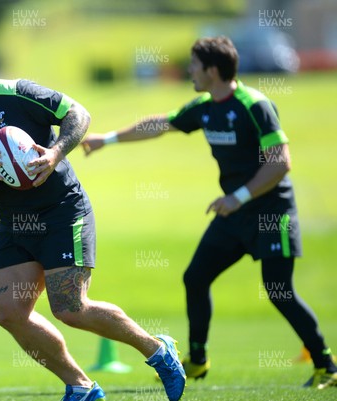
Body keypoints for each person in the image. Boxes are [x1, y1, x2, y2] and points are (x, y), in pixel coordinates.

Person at [0, 33, 186, 401]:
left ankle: (158, 350)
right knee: (9, 312)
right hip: (14, 224)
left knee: (71, 308)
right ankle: (81, 386)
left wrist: (56, 153)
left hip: (62, 210)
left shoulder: (14, 93)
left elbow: (78, 113)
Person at [81, 36, 336, 390]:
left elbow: (280, 163)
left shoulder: (254, 105)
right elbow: (160, 124)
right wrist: (106, 139)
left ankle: (327, 365)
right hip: (235, 212)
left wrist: (239, 197)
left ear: (212, 70)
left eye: (195, 65)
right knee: (196, 278)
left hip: (270, 211)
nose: (190, 71)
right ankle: (197, 361)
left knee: (278, 289)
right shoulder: (205, 106)